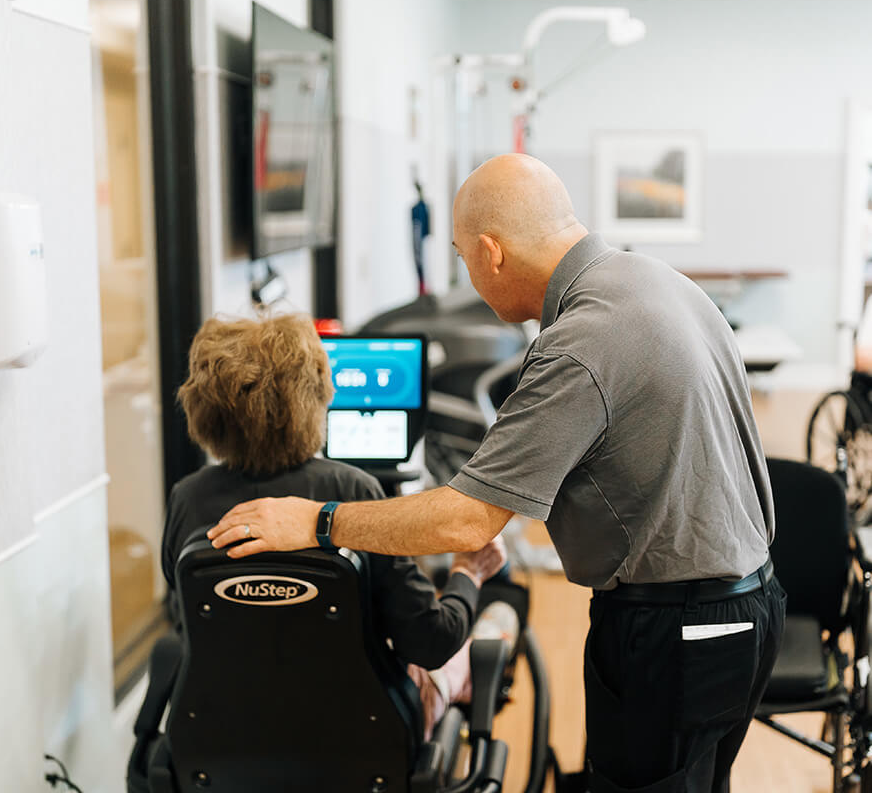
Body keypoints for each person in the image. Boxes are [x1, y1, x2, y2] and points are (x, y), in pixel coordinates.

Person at [208, 154, 785, 792]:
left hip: (677, 627)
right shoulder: (655, 280)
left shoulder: (580, 341)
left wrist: (315, 521)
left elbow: (466, 518)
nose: (471, 276)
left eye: (463, 258)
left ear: (492, 251)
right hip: (746, 608)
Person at [163, 313, 509, 739]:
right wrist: (468, 572)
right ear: (315, 397)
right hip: (360, 737)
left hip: (227, 740)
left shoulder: (187, 498)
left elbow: (185, 617)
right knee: (466, 654)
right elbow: (431, 642)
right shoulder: (350, 489)